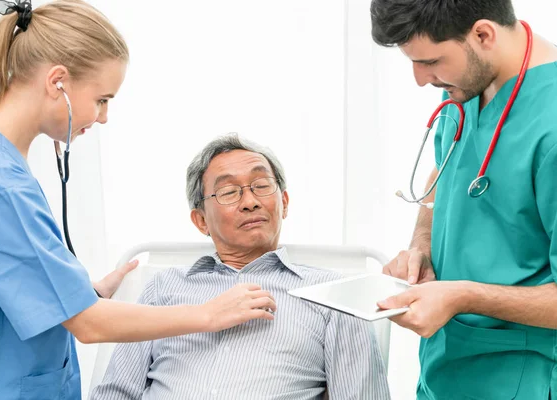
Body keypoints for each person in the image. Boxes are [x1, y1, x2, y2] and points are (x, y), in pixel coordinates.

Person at [0, 2, 276, 399]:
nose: (104, 117)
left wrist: (77, 290)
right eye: (102, 99)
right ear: (58, 82)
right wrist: (208, 314)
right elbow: (88, 326)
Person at [90, 134, 391, 400]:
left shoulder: (334, 296)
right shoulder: (163, 287)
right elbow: (117, 391)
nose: (249, 201)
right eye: (229, 192)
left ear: (284, 203)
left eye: (261, 185)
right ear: (201, 221)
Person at [370, 0, 557, 398]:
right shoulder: (465, 85)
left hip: (521, 377)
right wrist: (422, 245)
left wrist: (461, 296)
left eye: (430, 61)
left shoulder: (551, 124)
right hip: (445, 368)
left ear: (484, 34)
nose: (421, 80)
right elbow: (446, 168)